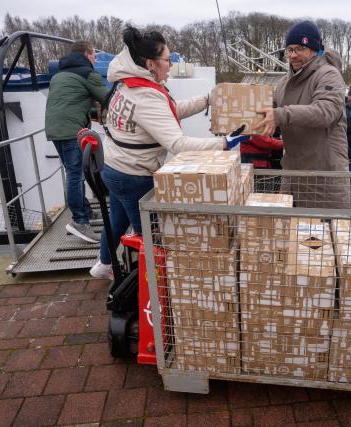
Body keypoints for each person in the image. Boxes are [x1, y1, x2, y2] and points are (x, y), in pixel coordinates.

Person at [90, 26, 248, 279]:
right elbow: (178, 144)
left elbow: (170, 112)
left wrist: (206, 99)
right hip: (134, 175)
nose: (171, 65)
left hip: (114, 168)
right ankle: (154, 288)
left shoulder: (131, 84)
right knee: (152, 236)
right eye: (167, 60)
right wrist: (224, 144)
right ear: (150, 64)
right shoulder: (145, 96)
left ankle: (103, 265)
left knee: (116, 221)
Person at [255, 20, 350, 209]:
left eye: (299, 49)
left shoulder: (329, 75)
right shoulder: (282, 82)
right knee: (290, 231)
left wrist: (280, 115)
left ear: (314, 49)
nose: (292, 55)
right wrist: (239, 118)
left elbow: (325, 112)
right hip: (292, 175)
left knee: (321, 233)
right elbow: (267, 108)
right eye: (289, 50)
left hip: (324, 176)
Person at [45, 40, 109, 243]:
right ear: (88, 54)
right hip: (72, 130)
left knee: (72, 172)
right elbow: (108, 98)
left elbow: (71, 100)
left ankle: (86, 212)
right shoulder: (87, 73)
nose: (95, 59)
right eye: (94, 56)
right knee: (76, 174)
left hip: (55, 129)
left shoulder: (59, 75)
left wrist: (90, 113)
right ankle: (80, 221)